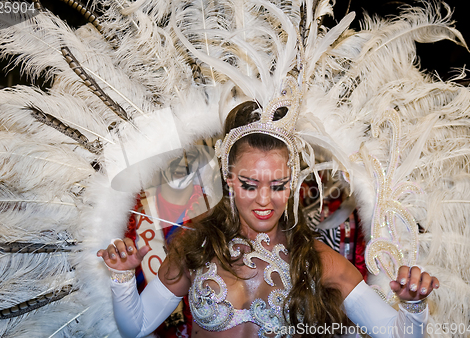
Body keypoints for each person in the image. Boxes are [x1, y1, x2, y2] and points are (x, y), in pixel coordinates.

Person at [97, 101, 439, 338]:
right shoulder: (196, 247)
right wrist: (122, 278)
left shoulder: (319, 261)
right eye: (249, 184)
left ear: (291, 184)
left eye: (277, 186)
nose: (264, 200)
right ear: (229, 180)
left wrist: (413, 306)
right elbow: (136, 327)